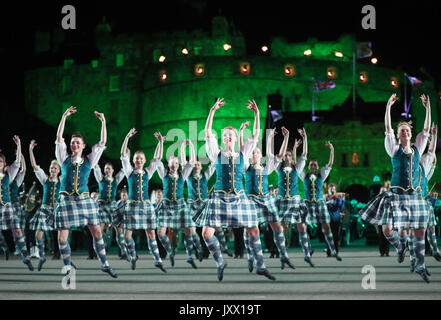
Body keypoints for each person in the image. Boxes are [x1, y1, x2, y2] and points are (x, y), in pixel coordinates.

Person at [196, 98, 275, 281]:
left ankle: (261, 265)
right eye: (225, 135)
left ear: (234, 138)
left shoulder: (243, 154)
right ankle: (220, 262)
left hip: (239, 197)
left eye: (230, 134)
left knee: (254, 229)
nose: (228, 137)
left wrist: (256, 114)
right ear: (222, 139)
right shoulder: (216, 153)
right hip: (219, 198)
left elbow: (255, 136)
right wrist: (212, 110)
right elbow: (208, 132)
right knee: (207, 233)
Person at [359, 93, 432, 283]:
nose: (405, 133)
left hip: (415, 195)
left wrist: (428, 107)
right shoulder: (393, 148)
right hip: (397, 194)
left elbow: (426, 130)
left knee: (419, 232)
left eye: (407, 130)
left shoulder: (418, 148)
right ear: (399, 135)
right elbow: (387, 128)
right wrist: (388, 107)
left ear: (411, 132)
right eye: (402, 131)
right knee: (387, 229)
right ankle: (400, 247)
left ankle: (421, 266)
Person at [52, 106, 117, 282]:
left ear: (83, 146)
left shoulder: (90, 159)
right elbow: (59, 138)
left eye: (77, 143)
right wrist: (64, 116)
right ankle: (67, 267)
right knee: (62, 236)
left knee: (97, 230)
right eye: (72, 142)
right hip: (66, 200)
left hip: (84, 199)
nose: (74, 144)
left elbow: (103, 142)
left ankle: (104, 264)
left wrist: (103, 121)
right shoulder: (63, 158)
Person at [243, 124, 295, 272]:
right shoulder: (246, 166)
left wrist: (286, 138)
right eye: (252, 153)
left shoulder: (267, 167)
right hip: (251, 201)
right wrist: (242, 135)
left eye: (257, 153)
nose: (255, 154)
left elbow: (279, 155)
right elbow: (243, 152)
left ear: (261, 155)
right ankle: (250, 257)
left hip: (266, 200)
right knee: (249, 230)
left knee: (277, 227)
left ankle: (284, 255)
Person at [114, 128, 166, 272]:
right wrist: (127, 137)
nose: (139, 160)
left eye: (141, 158)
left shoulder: (148, 172)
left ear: (144, 160)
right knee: (127, 236)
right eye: (137, 158)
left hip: (146, 206)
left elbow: (157, 159)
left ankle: (157, 259)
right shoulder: (129, 171)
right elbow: (123, 154)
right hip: (131, 206)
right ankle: (133, 255)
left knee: (151, 233)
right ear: (134, 160)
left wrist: (160, 142)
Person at [156, 139, 201, 269]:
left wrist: (191, 146)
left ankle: (189, 256)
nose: (175, 165)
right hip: (166, 205)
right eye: (172, 163)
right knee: (160, 233)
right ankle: (170, 251)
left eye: (177, 163)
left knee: (189, 230)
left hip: (180, 205)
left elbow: (192, 162)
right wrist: (161, 143)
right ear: (168, 163)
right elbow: (157, 160)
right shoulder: (163, 174)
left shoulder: (183, 174)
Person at [299, 135, 342, 263]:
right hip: (307, 203)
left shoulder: (321, 176)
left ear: (317, 167)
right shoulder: (304, 176)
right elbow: (299, 164)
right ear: (308, 166)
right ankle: (307, 251)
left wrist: (332, 150)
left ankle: (333, 250)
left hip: (319, 202)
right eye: (311, 165)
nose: (312, 167)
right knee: (302, 226)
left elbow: (330, 164)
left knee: (326, 227)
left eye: (314, 165)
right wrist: (302, 143)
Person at [408, 123, 440, 273]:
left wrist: (434, 135)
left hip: (424, 197)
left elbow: (432, 150)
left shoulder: (426, 160)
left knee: (431, 225)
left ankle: (434, 249)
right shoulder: (409, 161)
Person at [0, 136, 34, 270]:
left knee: (18, 230)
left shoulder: (9, 176)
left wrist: (19, 144)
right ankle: (4, 247)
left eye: (1, 161)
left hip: (7, 207)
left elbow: (18, 163)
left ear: (4, 163)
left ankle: (25, 256)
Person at [28, 139, 62, 270]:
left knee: (61, 236)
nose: (53, 169)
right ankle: (42, 257)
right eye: (51, 168)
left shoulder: (61, 180)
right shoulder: (44, 179)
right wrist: (31, 150)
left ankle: (65, 258)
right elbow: (35, 166)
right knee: (38, 235)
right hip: (44, 209)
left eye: (55, 168)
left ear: (58, 170)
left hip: (57, 210)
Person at [186, 156, 216, 263]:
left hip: (204, 205)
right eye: (195, 165)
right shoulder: (188, 177)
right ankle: (197, 251)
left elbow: (213, 165)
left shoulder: (205, 176)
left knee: (204, 229)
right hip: (192, 206)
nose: (196, 166)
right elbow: (185, 166)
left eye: (198, 164)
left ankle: (205, 251)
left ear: (201, 167)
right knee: (194, 231)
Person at [93, 162, 125, 252]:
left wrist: (126, 155)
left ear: (113, 170)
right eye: (106, 168)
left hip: (112, 206)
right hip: (102, 205)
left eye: (109, 168)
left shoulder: (116, 179)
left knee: (119, 229)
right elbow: (96, 166)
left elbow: (123, 170)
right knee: (99, 229)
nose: (107, 170)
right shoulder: (100, 179)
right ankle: (100, 248)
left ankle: (123, 249)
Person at [325, 183, 345, 257]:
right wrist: (328, 202)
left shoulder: (337, 197)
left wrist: (335, 201)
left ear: (335, 189)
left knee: (335, 235)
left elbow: (340, 205)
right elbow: (322, 204)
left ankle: (335, 251)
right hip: (327, 219)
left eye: (333, 189)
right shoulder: (326, 197)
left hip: (336, 218)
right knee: (328, 235)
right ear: (328, 189)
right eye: (331, 189)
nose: (332, 190)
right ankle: (329, 251)